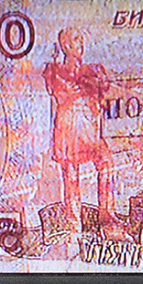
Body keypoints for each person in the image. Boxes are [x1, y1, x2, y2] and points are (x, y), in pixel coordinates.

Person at [42, 28, 115, 227]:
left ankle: (107, 215)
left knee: (106, 163)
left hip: (89, 127)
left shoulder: (93, 70)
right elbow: (66, 91)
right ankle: (74, 224)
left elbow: (103, 89)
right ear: (66, 45)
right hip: (69, 127)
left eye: (82, 39)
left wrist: (92, 85)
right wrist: (88, 86)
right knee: (71, 175)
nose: (81, 43)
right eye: (76, 39)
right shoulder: (55, 71)